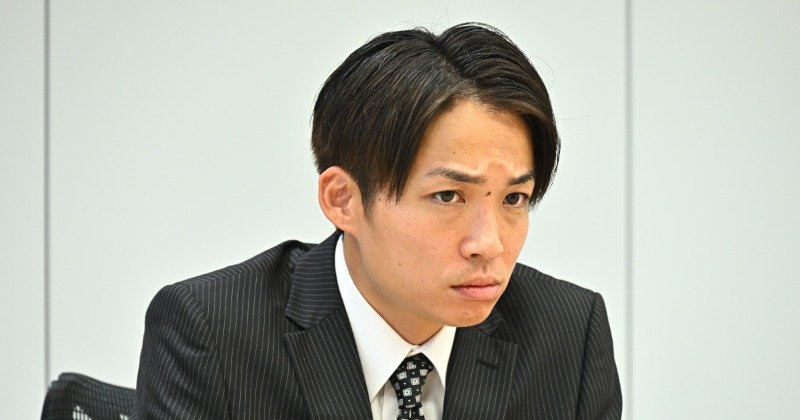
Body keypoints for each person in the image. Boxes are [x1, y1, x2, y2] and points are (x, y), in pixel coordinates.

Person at [134, 22, 622, 419]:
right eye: (448, 196)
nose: (489, 244)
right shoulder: (213, 330)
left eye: (514, 198)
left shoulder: (568, 333)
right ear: (343, 200)